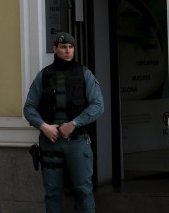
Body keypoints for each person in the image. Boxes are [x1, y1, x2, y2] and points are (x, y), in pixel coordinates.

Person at [24, 32, 104, 213]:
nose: (67, 51)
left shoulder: (85, 74)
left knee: (84, 191)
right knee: (52, 194)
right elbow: (29, 108)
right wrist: (43, 126)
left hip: (77, 141)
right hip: (50, 142)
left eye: (70, 47)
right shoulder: (44, 75)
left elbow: (98, 106)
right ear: (55, 49)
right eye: (63, 47)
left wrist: (74, 124)